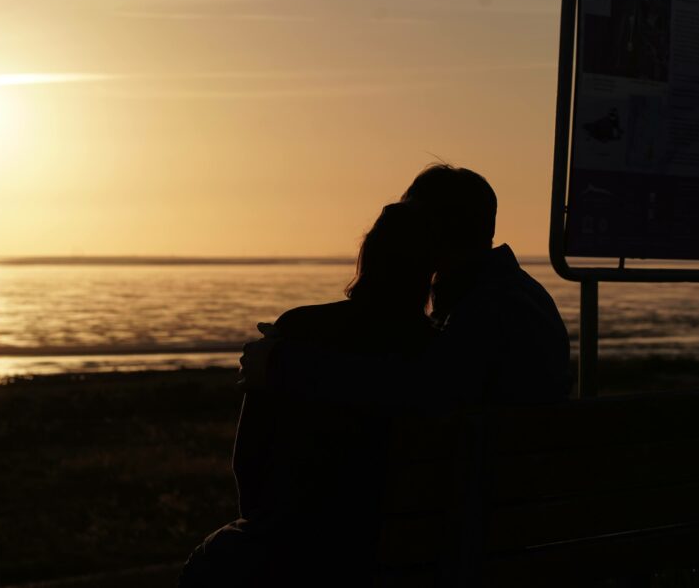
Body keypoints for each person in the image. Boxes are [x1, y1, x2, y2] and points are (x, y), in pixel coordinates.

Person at [178, 202, 438, 587]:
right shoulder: (441, 353)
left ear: (367, 256)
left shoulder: (299, 333)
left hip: (303, 546)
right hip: (408, 548)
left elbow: (248, 461)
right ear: (428, 271)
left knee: (209, 562)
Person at [241, 163, 571, 407]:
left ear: (435, 232)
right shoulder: (524, 296)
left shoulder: (487, 308)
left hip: (477, 490)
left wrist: (280, 365)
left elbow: (421, 389)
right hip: (523, 485)